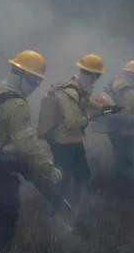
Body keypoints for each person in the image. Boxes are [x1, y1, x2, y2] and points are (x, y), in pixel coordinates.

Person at [0, 50, 62, 253]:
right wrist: (50, 169)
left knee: (0, 214)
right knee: (6, 220)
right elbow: (27, 144)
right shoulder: (17, 104)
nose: (35, 86)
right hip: (0, 172)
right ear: (21, 75)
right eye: (33, 80)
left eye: (38, 82)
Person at [36, 53, 104, 206]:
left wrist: (103, 108)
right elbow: (72, 121)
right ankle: (55, 212)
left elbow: (85, 103)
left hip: (75, 141)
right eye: (97, 75)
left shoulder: (79, 88)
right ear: (92, 75)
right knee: (62, 180)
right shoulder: (72, 91)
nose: (97, 79)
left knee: (82, 175)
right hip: (64, 143)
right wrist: (89, 119)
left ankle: (77, 208)